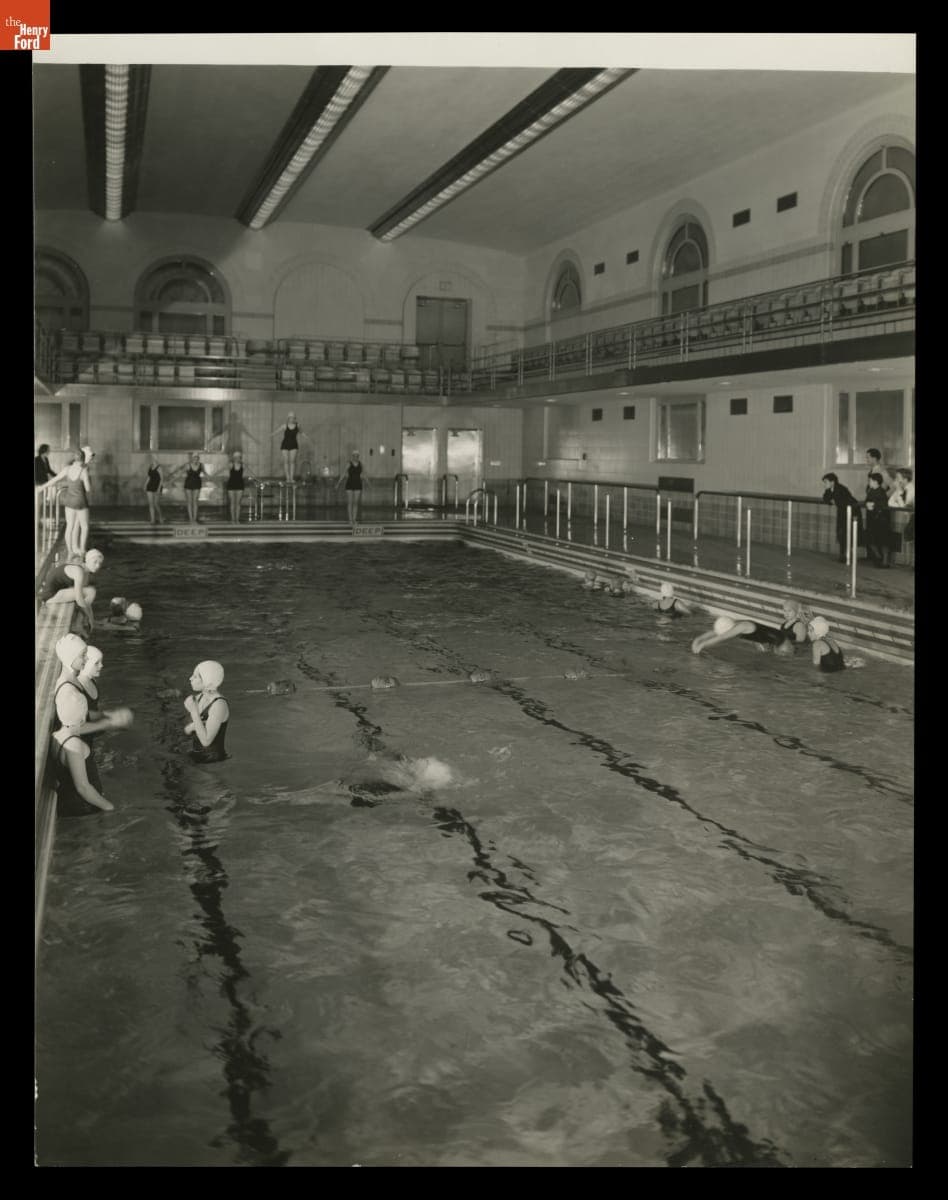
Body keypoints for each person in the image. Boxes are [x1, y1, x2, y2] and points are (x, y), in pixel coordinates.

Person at [45, 445, 95, 558]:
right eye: (90, 457)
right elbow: (88, 489)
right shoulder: (84, 469)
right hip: (81, 501)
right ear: (84, 457)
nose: (92, 459)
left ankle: (71, 550)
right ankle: (81, 549)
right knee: (84, 526)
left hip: (70, 501)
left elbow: (55, 479)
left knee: (71, 526)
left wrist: (43, 487)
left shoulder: (68, 468)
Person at [39, 548, 104, 633]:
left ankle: (81, 622)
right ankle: (79, 624)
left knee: (89, 591)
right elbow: (79, 599)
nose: (98, 566)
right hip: (49, 596)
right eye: (95, 562)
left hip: (58, 592)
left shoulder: (85, 571)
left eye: (100, 563)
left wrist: (92, 618)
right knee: (91, 591)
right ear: (87, 561)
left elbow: (85, 600)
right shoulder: (79, 572)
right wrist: (89, 617)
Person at [184, 661, 230, 763]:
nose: (190, 678)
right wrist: (192, 726)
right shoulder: (197, 698)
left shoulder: (219, 705)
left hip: (212, 761)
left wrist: (194, 713)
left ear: (207, 680)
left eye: (195, 676)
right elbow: (186, 730)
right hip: (196, 755)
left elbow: (206, 741)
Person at [691, 614, 786, 655]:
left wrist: (703, 645)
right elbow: (715, 632)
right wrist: (698, 639)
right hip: (770, 641)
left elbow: (722, 637)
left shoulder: (742, 626)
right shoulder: (731, 623)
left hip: (782, 641)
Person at [821, 473, 863, 563]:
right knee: (841, 533)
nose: (824, 484)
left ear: (832, 482)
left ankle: (847, 555)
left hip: (851, 512)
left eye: (826, 482)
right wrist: (831, 501)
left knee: (848, 532)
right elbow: (825, 497)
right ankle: (843, 554)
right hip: (843, 513)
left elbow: (844, 501)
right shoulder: (830, 489)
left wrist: (834, 501)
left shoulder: (841, 489)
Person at [864, 471, 892, 567]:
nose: (869, 482)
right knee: (871, 540)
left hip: (881, 520)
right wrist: (867, 504)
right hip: (872, 519)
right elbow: (866, 501)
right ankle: (878, 556)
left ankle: (884, 561)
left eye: (870, 481)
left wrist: (874, 505)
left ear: (875, 481)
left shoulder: (881, 491)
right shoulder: (870, 491)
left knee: (883, 541)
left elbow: (883, 504)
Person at [271, 412, 309, 483]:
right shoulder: (284, 426)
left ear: (295, 418)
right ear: (288, 418)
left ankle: (291, 478)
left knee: (292, 461)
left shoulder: (298, 426)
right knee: (286, 461)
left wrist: (307, 437)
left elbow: (302, 433)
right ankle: (288, 478)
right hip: (285, 444)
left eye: (293, 418)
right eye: (290, 418)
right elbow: (277, 431)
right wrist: (271, 435)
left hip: (293, 444)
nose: (291, 419)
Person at [170, 453, 206, 523]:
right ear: (192, 458)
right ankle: (191, 518)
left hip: (197, 484)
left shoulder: (201, 465)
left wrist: (212, 478)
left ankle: (194, 519)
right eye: (194, 457)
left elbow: (205, 473)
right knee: (189, 502)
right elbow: (180, 474)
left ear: (198, 458)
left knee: (195, 501)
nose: (195, 459)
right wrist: (172, 480)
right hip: (188, 484)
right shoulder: (188, 465)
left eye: (197, 457)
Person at [225, 450, 258, 523]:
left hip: (240, 484)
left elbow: (250, 472)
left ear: (240, 458)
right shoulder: (231, 465)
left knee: (238, 503)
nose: (237, 459)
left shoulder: (243, 465)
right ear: (234, 458)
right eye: (235, 457)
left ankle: (237, 519)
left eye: (238, 457)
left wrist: (256, 478)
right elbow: (224, 469)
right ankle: (233, 519)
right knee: (232, 503)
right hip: (231, 484)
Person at [337, 450, 368, 523]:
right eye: (354, 456)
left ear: (358, 456)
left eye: (357, 456)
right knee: (350, 502)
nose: (355, 457)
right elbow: (343, 474)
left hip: (358, 484)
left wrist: (368, 482)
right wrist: (338, 483)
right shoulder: (349, 464)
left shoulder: (361, 464)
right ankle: (350, 519)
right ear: (352, 456)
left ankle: (354, 519)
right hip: (350, 484)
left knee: (355, 503)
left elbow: (363, 474)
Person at [144, 456, 165, 525]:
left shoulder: (159, 467)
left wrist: (159, 488)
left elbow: (162, 479)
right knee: (151, 504)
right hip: (150, 486)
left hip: (157, 486)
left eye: (153, 459)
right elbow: (149, 477)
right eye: (150, 459)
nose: (152, 461)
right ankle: (152, 519)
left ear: (156, 460)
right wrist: (145, 484)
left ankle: (161, 517)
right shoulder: (150, 467)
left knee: (156, 504)